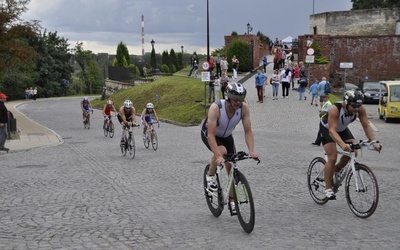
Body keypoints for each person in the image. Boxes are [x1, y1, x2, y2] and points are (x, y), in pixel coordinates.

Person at [201, 82, 259, 214]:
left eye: (240, 100)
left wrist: (251, 151)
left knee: (231, 166)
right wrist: (219, 156)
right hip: (210, 134)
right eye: (235, 100)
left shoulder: (244, 109)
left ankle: (232, 201)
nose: (238, 103)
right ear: (228, 97)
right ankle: (210, 177)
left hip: (226, 136)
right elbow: (210, 135)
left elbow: (248, 131)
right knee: (222, 152)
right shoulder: (216, 108)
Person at [320, 90, 381, 200]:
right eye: (354, 106)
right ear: (346, 102)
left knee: (354, 150)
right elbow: (332, 131)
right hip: (328, 129)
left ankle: (337, 170)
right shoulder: (335, 109)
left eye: (359, 106)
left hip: (342, 129)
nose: (356, 109)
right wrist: (343, 144)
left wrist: (373, 142)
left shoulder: (360, 109)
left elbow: (366, 125)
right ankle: (328, 188)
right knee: (332, 157)